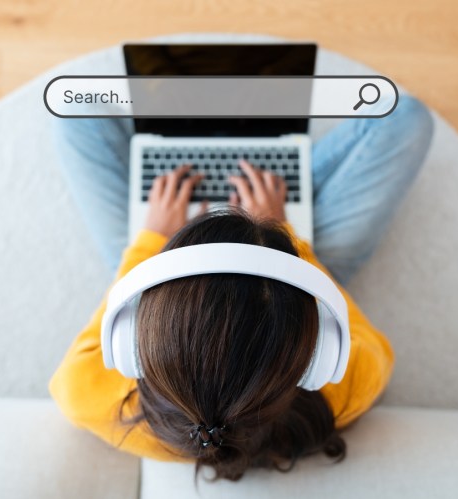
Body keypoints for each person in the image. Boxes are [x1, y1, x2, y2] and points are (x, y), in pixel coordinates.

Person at [49, 95, 434, 481]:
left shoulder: (90, 396)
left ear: (129, 335)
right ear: (322, 348)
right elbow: (374, 344)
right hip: (302, 262)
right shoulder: (347, 385)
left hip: (167, 252)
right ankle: (270, 175)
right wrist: (289, 236)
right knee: (407, 117)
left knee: (76, 109)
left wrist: (152, 238)